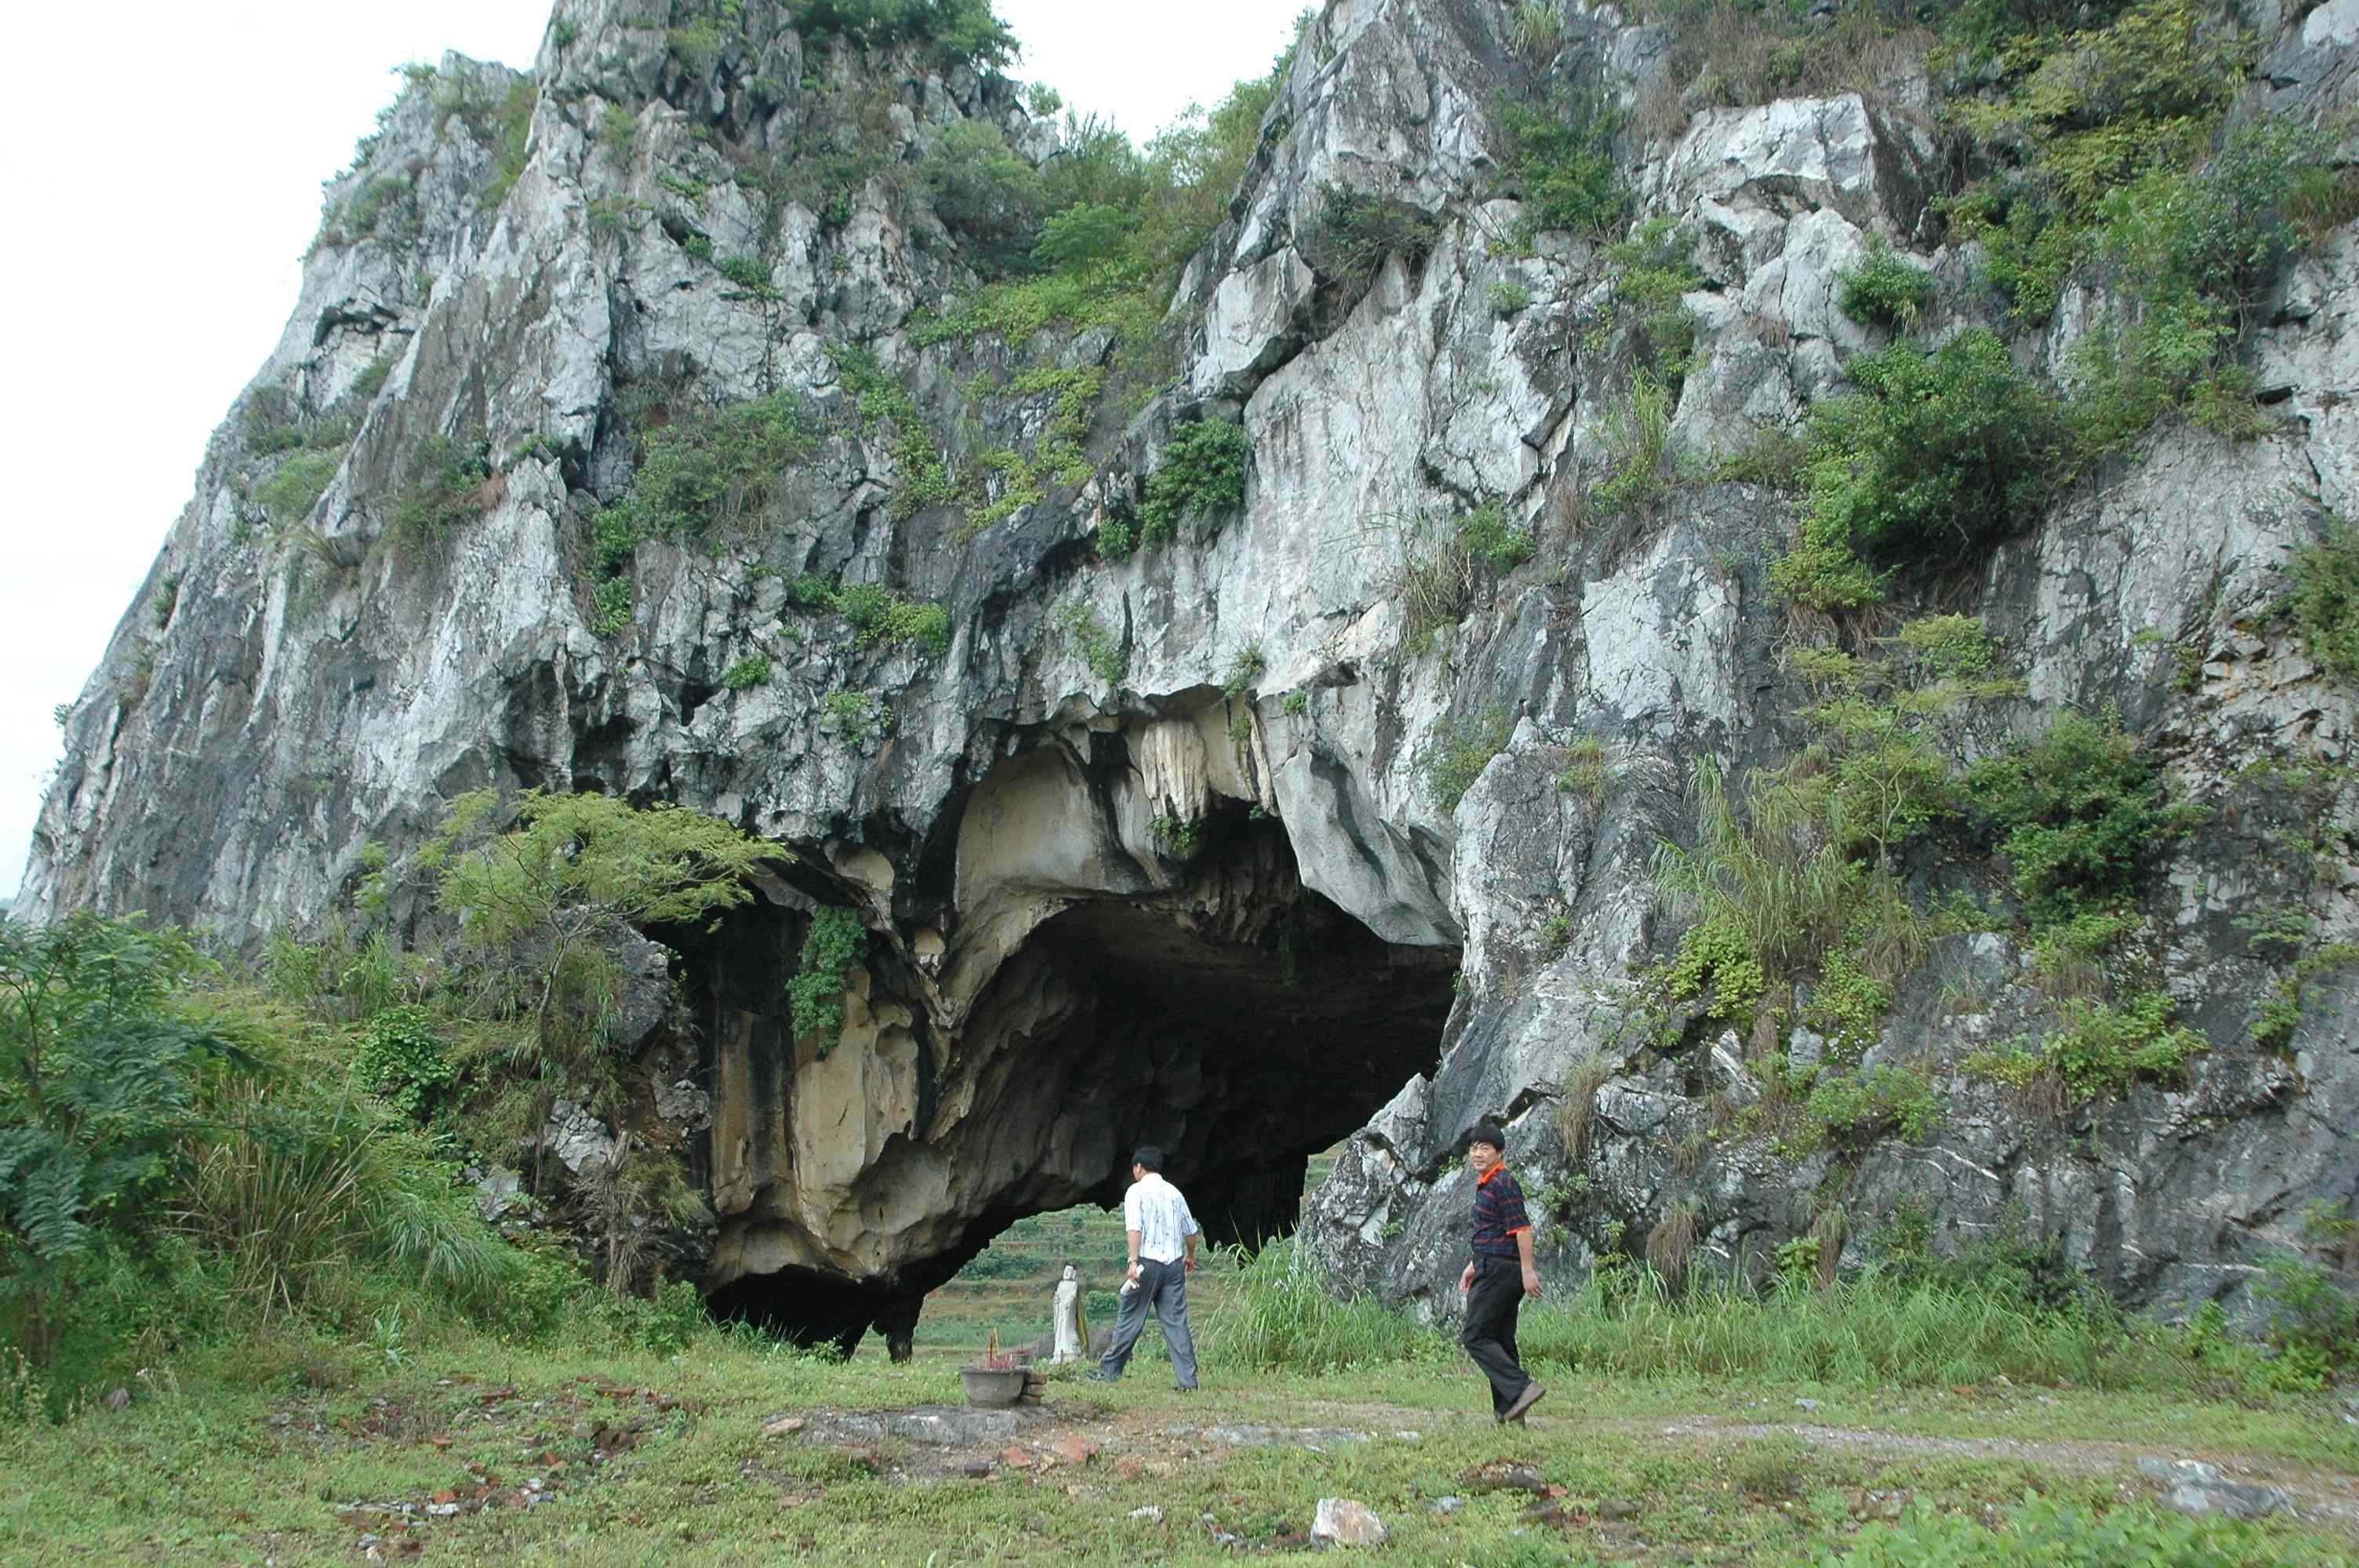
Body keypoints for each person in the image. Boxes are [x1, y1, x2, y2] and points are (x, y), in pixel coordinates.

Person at [1088, 1145, 1201, 1390]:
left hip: (1146, 1265)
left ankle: (1108, 1373)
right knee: (1176, 1323)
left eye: (1134, 1168)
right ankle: (1188, 1382)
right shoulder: (1174, 1193)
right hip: (1173, 1266)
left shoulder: (1135, 1192)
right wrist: (1190, 1256)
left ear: (1138, 1167)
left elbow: (1135, 1228)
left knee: (1130, 1318)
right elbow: (1191, 1232)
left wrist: (1132, 1261)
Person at [1456, 1121, 1544, 1424]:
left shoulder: (1503, 1183)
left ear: (1500, 1152)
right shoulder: (1488, 1183)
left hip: (1499, 1271)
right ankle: (1509, 1412)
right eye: (1474, 1148)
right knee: (1501, 1339)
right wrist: (1472, 1265)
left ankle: (1521, 1388)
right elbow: (1493, 1232)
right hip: (1491, 1264)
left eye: (1485, 1148)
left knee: (1476, 1335)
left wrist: (1528, 1271)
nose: (1478, 1154)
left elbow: (1522, 1229)